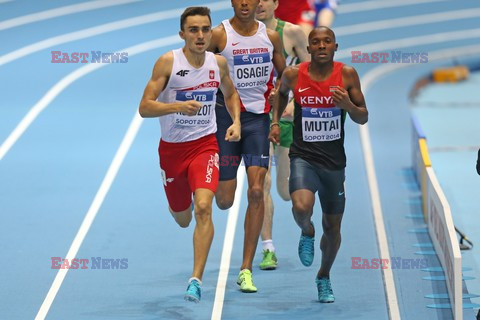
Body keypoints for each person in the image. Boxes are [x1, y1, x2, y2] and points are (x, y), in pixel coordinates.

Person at [138, 6, 241, 303]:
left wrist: (235, 122)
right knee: (183, 218)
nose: (200, 35)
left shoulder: (218, 63)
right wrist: (176, 107)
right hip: (172, 151)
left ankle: (196, 278)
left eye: (205, 29)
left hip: (205, 145)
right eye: (193, 30)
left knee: (204, 208)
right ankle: (176, 201)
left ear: (211, 32)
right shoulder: (168, 62)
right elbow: (144, 107)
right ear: (182, 34)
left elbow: (230, 93)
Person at [269, 26, 368, 302]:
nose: (322, 45)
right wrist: (276, 121)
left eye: (327, 41)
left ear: (335, 47)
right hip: (303, 157)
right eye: (316, 42)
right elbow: (280, 94)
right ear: (308, 48)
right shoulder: (294, 74)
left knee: (333, 229)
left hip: (334, 164)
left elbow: (363, 117)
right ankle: (306, 231)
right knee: (301, 206)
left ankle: (323, 275)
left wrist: (347, 105)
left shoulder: (346, 75)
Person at [207, 0, 285, 292]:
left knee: (256, 190)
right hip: (224, 119)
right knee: (225, 201)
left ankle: (245, 269)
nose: (244, 3)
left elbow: (283, 79)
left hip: (257, 123)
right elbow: (199, 64)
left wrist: (276, 118)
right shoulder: (219, 36)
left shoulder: (271, 37)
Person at [255, 0, 310, 271]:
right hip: (257, 118)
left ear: (276, 3)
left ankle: (306, 225)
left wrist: (293, 102)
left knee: (286, 192)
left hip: (287, 118)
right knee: (260, 185)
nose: (259, 4)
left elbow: (314, 74)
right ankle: (268, 247)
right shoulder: (235, 35)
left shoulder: (293, 33)